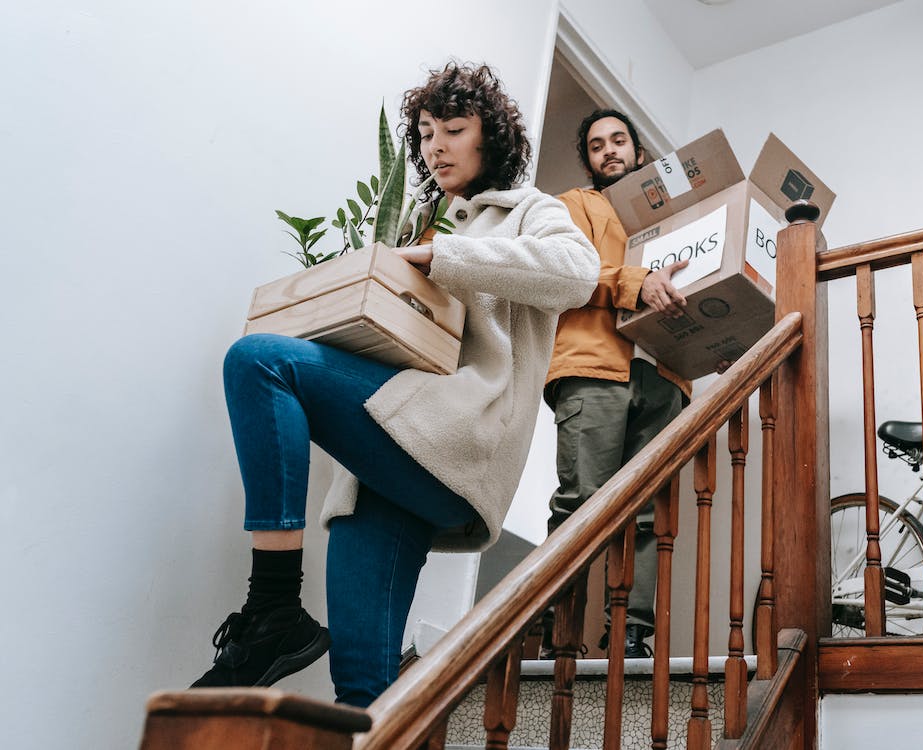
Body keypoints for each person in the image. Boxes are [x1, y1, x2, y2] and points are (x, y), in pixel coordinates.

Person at [189, 62, 599, 707]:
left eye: (454, 129)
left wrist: (445, 257)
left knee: (258, 361)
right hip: (384, 460)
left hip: (455, 440)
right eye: (426, 132)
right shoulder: (417, 226)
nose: (436, 145)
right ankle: (284, 628)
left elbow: (578, 274)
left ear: (489, 137)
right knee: (362, 688)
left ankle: (270, 606)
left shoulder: (528, 211)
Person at [542, 109, 691, 659]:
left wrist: (721, 335)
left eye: (619, 140)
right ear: (589, 159)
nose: (609, 150)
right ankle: (558, 633)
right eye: (597, 144)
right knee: (581, 502)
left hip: (664, 372)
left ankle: (632, 634)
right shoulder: (571, 207)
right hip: (592, 366)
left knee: (648, 513)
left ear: (639, 152)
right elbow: (567, 271)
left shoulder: (676, 214)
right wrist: (637, 283)